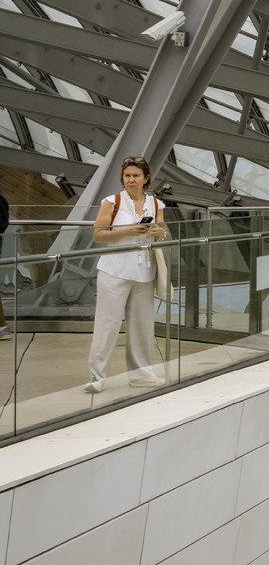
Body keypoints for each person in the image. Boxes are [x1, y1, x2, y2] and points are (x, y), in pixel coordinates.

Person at [87, 156, 167, 391]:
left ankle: (142, 375)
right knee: (108, 323)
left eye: (136, 176)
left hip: (144, 272)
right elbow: (98, 235)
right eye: (127, 176)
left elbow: (165, 233)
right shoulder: (112, 202)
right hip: (115, 271)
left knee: (142, 326)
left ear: (146, 178)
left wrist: (158, 232)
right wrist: (127, 231)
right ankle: (97, 377)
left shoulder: (155, 204)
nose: (131, 180)